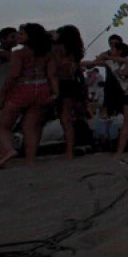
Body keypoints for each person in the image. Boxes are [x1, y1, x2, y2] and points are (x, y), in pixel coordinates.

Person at [0, 23, 58, 167]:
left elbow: (13, 76)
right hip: (42, 89)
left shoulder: (19, 54)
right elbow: (52, 75)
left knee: (2, 125)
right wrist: (55, 93)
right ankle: (30, 160)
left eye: (21, 34)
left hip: (23, 89)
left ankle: (9, 150)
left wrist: (2, 95)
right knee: (30, 128)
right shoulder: (47, 54)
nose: (18, 36)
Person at [53, 25, 87, 159]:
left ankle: (69, 150)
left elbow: (57, 65)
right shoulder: (76, 51)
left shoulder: (57, 49)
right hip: (73, 84)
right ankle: (70, 149)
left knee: (64, 118)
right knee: (67, 118)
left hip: (61, 83)